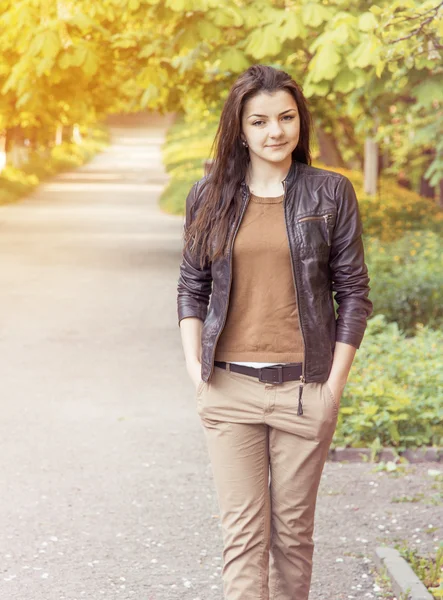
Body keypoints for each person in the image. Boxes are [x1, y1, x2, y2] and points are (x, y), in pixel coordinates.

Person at [176, 64, 373, 600]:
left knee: (293, 539)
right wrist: (197, 371)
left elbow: (353, 292)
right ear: (239, 128)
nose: (275, 132)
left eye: (286, 117)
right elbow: (191, 287)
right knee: (241, 540)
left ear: (299, 122)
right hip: (229, 388)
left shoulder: (330, 193)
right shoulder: (209, 196)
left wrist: (332, 387)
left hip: (305, 390)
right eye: (259, 121)